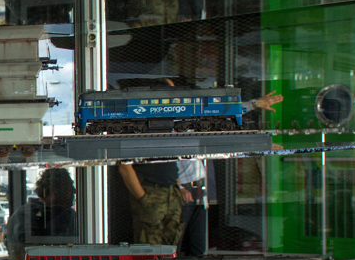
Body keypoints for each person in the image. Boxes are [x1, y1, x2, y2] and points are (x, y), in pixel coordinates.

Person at [119, 80, 283, 247]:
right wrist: (143, 198)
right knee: (149, 247)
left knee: (172, 246)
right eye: (172, 94)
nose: (177, 98)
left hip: (173, 192)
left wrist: (254, 112)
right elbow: (124, 166)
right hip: (154, 191)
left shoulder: (176, 120)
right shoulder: (140, 123)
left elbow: (215, 121)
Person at [4, 168, 78, 260]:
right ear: (54, 190)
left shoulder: (22, 215)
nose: (74, 192)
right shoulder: (25, 216)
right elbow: (24, 253)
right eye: (69, 189)